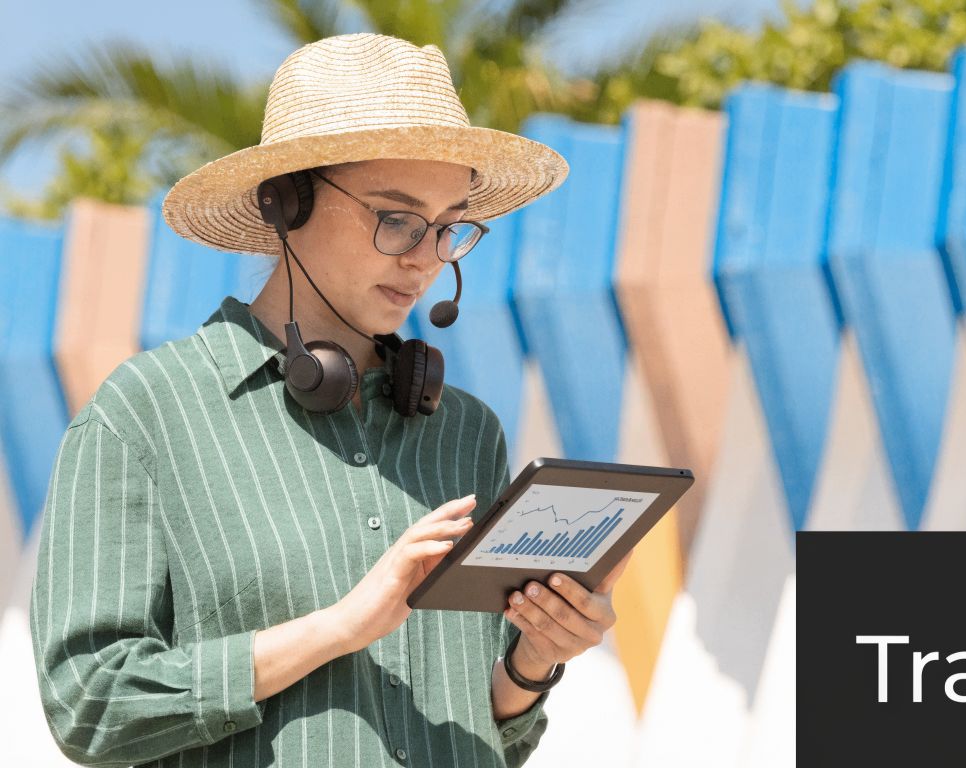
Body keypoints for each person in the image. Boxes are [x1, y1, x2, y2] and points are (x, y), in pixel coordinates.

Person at [28, 32, 630, 768]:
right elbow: (88, 703)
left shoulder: (468, 432)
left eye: (448, 228)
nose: (425, 259)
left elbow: (488, 733)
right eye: (398, 218)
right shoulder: (146, 414)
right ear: (287, 202)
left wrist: (531, 663)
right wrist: (339, 628)